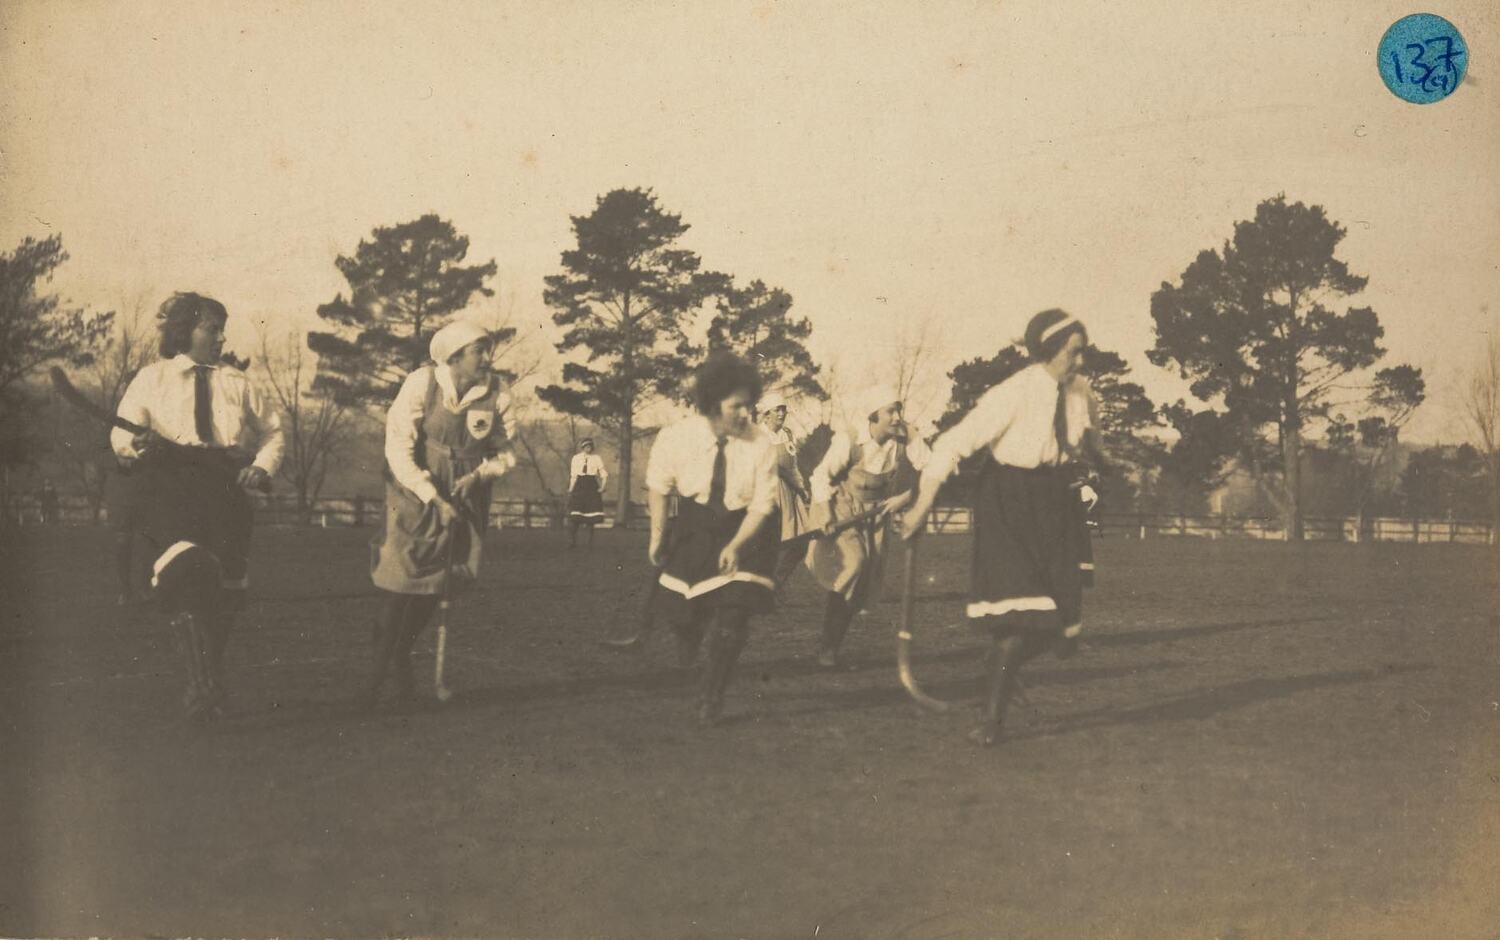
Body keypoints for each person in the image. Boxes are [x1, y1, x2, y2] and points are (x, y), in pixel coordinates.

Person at [900, 308, 1096, 746]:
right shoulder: (1013, 393)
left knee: (1064, 634)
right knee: (1018, 621)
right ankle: (992, 721)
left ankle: (996, 668)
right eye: (1073, 352)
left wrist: (1099, 458)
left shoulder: (1081, 391)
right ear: (1049, 350)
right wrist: (922, 505)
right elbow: (951, 445)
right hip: (1009, 505)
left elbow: (1089, 434)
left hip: (1057, 505)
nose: (1080, 360)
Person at [111, 292, 284, 721]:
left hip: (225, 490)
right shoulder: (152, 379)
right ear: (184, 330)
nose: (222, 338)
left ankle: (209, 678)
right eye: (212, 329)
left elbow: (273, 432)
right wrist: (136, 444)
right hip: (169, 488)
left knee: (226, 593)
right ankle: (200, 684)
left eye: (223, 330)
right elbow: (120, 435)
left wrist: (260, 466)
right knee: (184, 573)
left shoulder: (238, 383)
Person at [363, 320, 516, 709]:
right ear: (455, 357)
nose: (487, 358)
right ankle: (371, 685)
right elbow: (398, 449)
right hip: (414, 490)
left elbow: (506, 454)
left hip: (466, 495)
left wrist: (480, 474)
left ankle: (401, 659)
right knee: (401, 582)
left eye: (487, 349)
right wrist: (432, 496)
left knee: (436, 586)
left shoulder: (497, 393)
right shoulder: (423, 383)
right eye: (478, 351)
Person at [645, 352, 779, 725]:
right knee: (685, 618)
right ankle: (690, 634)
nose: (745, 414)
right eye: (736, 406)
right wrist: (657, 537)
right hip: (695, 529)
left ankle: (711, 697)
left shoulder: (762, 444)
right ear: (713, 404)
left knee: (734, 619)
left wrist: (736, 546)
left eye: (749, 405)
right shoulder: (677, 437)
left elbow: (762, 505)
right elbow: (659, 488)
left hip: (747, 531)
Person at [806, 388, 930, 668]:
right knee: (853, 564)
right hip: (841, 508)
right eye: (890, 411)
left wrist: (905, 497)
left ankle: (831, 646)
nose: (897, 417)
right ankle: (827, 649)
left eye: (899, 410)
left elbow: (935, 469)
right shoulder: (849, 439)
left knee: (862, 580)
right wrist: (826, 514)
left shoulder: (906, 437)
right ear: (873, 417)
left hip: (876, 515)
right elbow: (819, 476)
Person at [758, 392, 812, 589]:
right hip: (767, 492)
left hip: (790, 492)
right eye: (777, 410)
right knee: (768, 543)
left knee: (801, 542)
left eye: (783, 409)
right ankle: (763, 587)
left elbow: (793, 465)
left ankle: (777, 581)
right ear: (766, 414)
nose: (782, 413)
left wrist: (801, 486)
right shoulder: (757, 436)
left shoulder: (788, 434)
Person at [108, 459, 150, 606]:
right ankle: (125, 591)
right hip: (123, 513)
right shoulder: (115, 474)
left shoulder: (144, 468)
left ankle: (145, 588)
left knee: (148, 549)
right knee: (122, 551)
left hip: (143, 510)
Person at [566, 438, 608, 548]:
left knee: (591, 517)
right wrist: (571, 489)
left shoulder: (596, 458)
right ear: (582, 447)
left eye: (590, 446)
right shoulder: (576, 458)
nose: (588, 448)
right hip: (579, 487)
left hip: (591, 487)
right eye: (586, 446)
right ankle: (572, 542)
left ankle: (589, 543)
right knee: (575, 516)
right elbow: (573, 476)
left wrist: (602, 487)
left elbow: (603, 474)